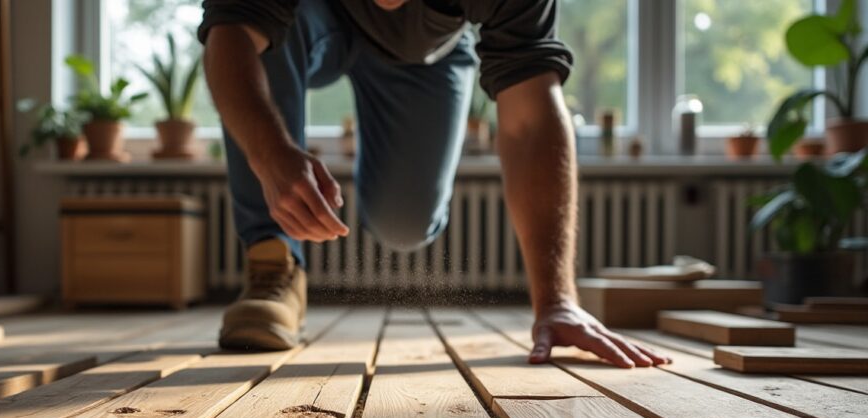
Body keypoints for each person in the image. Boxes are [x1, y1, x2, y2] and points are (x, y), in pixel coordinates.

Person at [200, 0, 669, 368]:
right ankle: (271, 266)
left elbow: (529, 117)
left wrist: (557, 301)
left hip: (427, 53)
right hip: (309, 20)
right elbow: (232, 34)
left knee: (404, 222)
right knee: (262, 31)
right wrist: (270, 154)